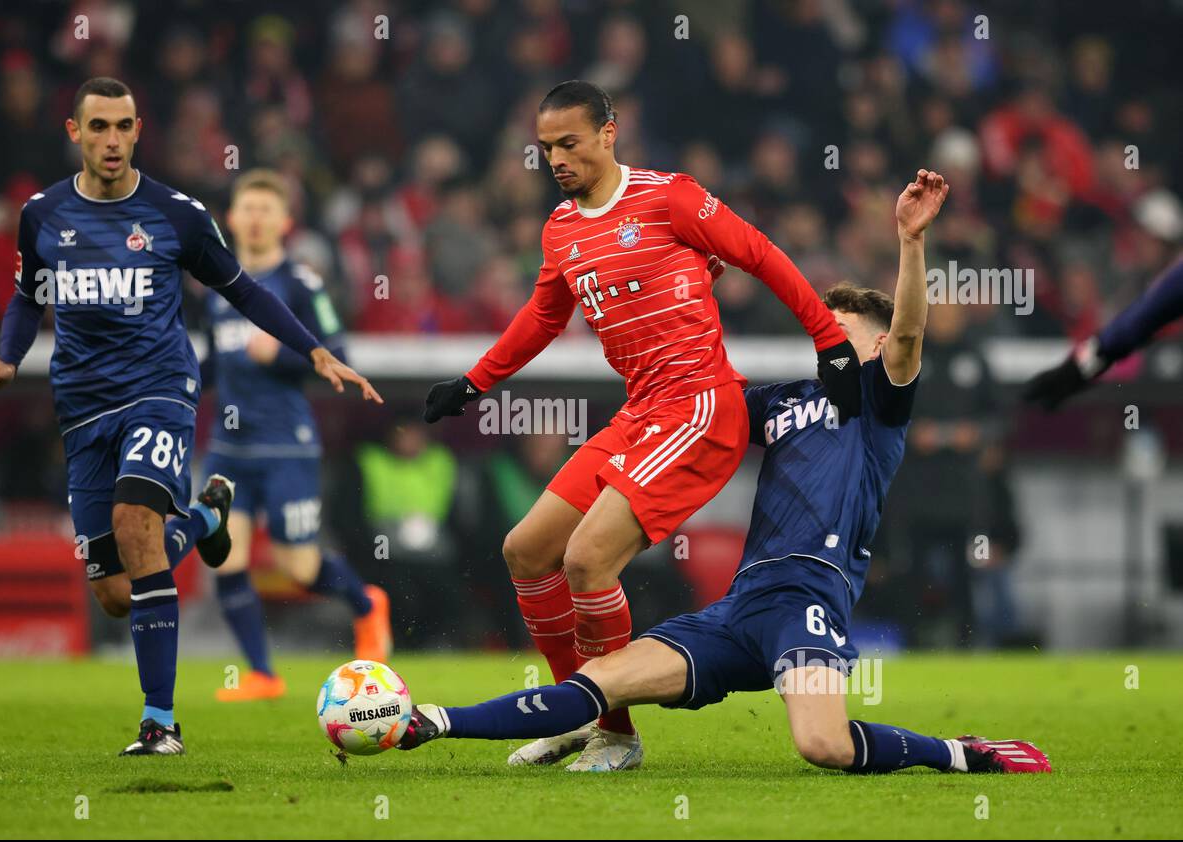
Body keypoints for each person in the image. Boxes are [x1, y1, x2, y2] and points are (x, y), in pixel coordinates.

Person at [401, 171, 1052, 777]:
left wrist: (911, 242)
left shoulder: (878, 403)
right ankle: (432, 722)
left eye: (838, 328)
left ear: (875, 347)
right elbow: (700, 403)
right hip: (739, 609)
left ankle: (961, 754)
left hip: (808, 599)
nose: (821, 333)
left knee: (821, 744)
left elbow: (909, 336)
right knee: (595, 687)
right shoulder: (784, 400)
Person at [421, 80, 862, 771]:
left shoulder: (670, 197)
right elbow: (542, 317)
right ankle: (575, 711)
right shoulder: (561, 229)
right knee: (526, 551)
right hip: (641, 411)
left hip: (701, 407)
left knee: (587, 560)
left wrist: (830, 341)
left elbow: (760, 253)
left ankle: (616, 733)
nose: (557, 159)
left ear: (608, 132)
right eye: (545, 149)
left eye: (569, 142)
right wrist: (475, 382)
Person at [0, 77, 381, 756]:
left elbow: (242, 288)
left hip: (160, 388)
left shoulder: (178, 215)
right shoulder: (42, 216)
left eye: (124, 126)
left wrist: (313, 352)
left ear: (138, 131)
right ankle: (207, 520)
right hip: (81, 408)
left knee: (138, 525)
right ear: (75, 132)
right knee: (116, 592)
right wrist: (10, 358)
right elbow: (25, 297)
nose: (111, 140)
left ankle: (160, 722)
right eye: (98, 126)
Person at [203, 169, 391, 703]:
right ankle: (263, 674)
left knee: (299, 566)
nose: (257, 218)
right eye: (248, 208)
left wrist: (283, 353)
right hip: (229, 447)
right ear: (232, 219)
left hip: (287, 445)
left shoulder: (302, 284)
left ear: (285, 223)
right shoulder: (218, 287)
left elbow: (340, 357)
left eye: (268, 209)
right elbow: (215, 362)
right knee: (224, 556)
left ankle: (366, 604)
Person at [1023, 256, 1183, 408]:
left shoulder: (1103, 320)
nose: (1076, 292)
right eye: (1071, 286)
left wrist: (1078, 369)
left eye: (1081, 286)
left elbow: (1128, 337)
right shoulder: (1057, 316)